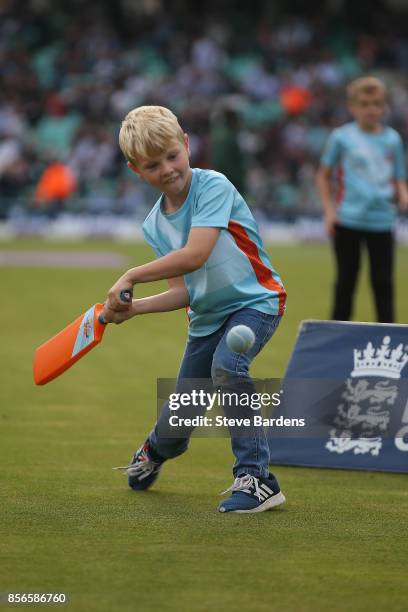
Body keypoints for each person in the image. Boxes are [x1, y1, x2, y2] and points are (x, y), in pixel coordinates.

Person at [101, 105, 287, 514]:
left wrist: (130, 275)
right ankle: (155, 448)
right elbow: (183, 292)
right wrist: (136, 309)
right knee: (178, 419)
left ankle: (257, 480)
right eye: (152, 165)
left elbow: (195, 255)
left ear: (186, 145)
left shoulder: (213, 185)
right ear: (136, 170)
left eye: (172, 155)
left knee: (228, 367)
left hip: (256, 302)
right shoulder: (153, 225)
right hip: (206, 318)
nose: (167, 169)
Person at [316, 76, 408, 322]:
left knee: (383, 285)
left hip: (382, 221)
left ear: (384, 106)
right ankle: (336, 342)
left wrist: (403, 194)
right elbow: (323, 176)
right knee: (346, 284)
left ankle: (388, 343)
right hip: (348, 220)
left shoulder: (392, 140)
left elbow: (398, 178)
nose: (372, 109)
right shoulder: (341, 137)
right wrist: (329, 211)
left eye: (377, 103)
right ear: (352, 106)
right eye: (365, 103)